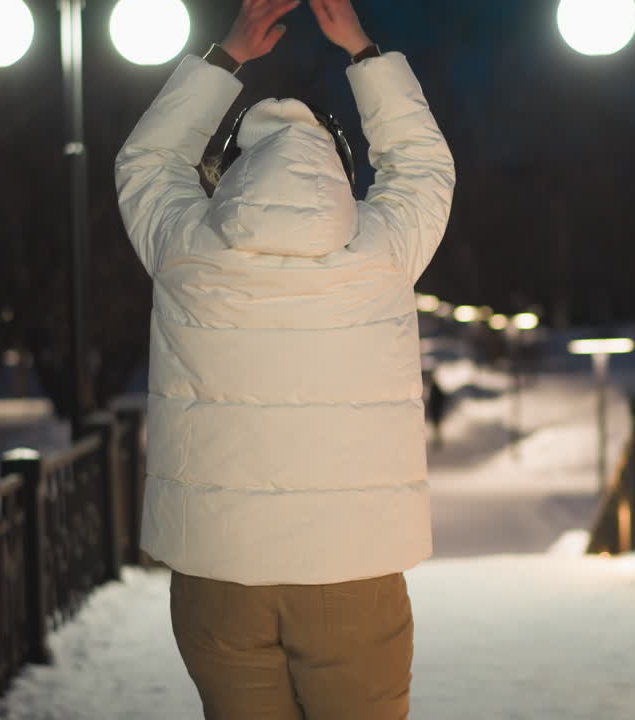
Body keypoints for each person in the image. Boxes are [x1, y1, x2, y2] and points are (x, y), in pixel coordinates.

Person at [113, 0, 455, 717]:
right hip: (350, 576)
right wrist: (362, 50)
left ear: (228, 170)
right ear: (338, 168)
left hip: (218, 578)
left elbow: (147, 161)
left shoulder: (186, 254)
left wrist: (226, 56)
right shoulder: (379, 255)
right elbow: (421, 165)